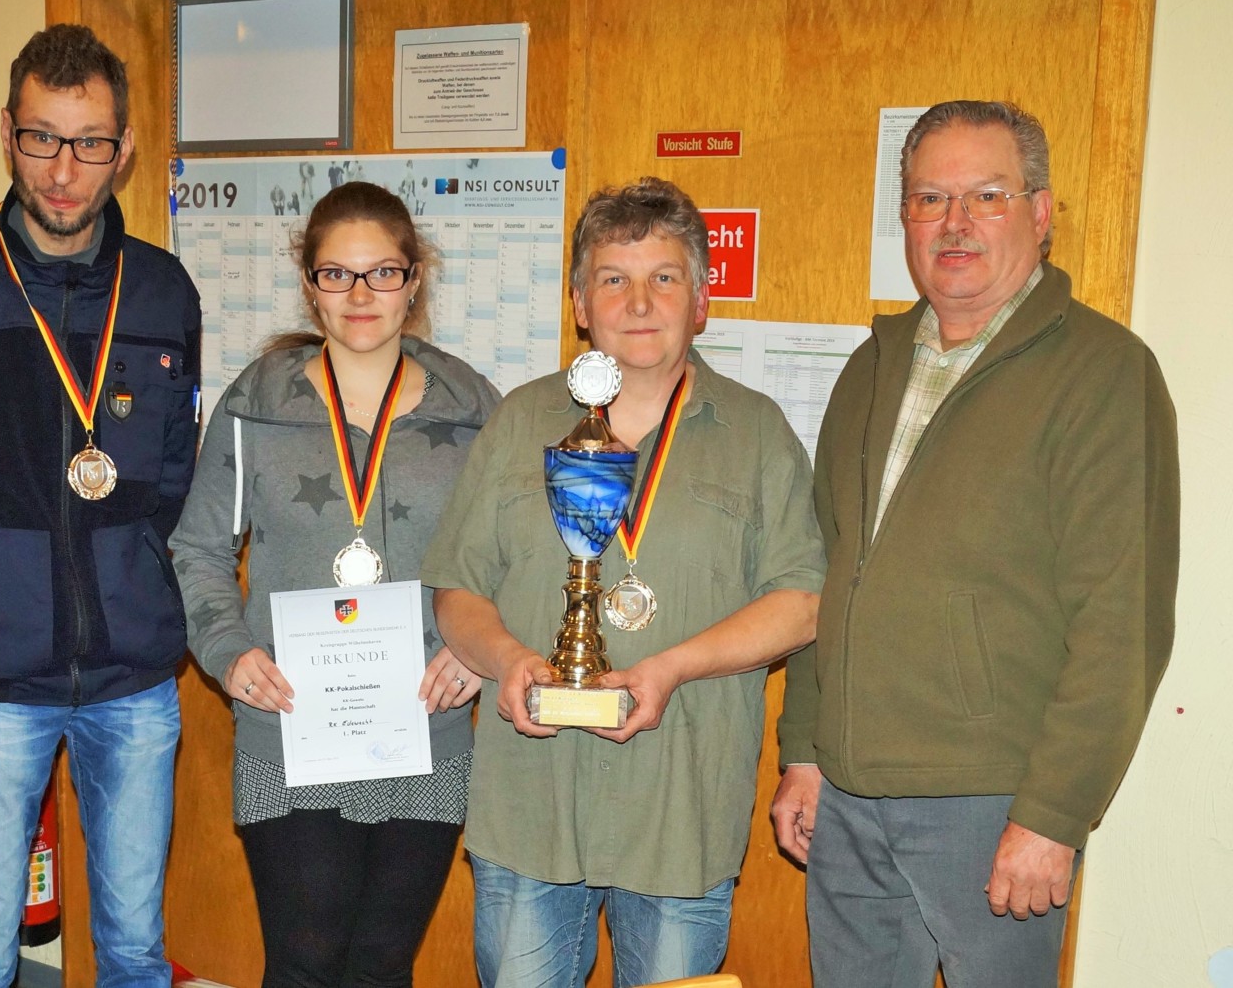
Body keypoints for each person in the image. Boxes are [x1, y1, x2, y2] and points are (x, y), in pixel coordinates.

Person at [770, 100, 1179, 988]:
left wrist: (1056, 814)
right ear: (906, 219)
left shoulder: (1104, 372)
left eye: (985, 195)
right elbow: (824, 572)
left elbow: (1123, 619)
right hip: (846, 791)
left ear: (1040, 212)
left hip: (992, 805)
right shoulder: (871, 364)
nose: (953, 223)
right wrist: (802, 746)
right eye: (929, 198)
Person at [423, 177, 825, 988]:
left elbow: (802, 601)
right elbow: (457, 592)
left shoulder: (758, 435)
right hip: (531, 809)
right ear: (580, 301)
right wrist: (505, 660)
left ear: (701, 299)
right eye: (614, 278)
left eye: (664, 277)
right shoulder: (518, 423)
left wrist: (672, 666)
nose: (639, 301)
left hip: (681, 814)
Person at [0, 23, 200, 988]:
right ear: (6, 132)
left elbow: (169, 471)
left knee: (135, 946)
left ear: (125, 147)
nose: (65, 170)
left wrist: (130, 568)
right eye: (43, 137)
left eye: (91, 141)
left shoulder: (164, 289)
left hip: (136, 679)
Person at [169, 182, 500, 985]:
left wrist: (478, 653)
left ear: (414, 279)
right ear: (308, 280)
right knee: (306, 957)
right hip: (291, 724)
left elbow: (514, 557)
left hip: (427, 726)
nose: (360, 295)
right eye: (336, 274)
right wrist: (229, 650)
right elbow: (198, 547)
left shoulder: (475, 408)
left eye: (382, 273)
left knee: (384, 960)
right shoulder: (258, 400)